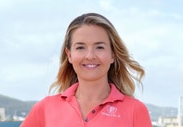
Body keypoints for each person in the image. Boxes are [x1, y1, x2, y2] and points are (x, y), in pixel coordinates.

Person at [20, 13, 152, 127]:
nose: (90, 56)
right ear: (69, 55)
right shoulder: (45, 108)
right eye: (80, 47)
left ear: (113, 54)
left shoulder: (136, 110)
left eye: (99, 47)